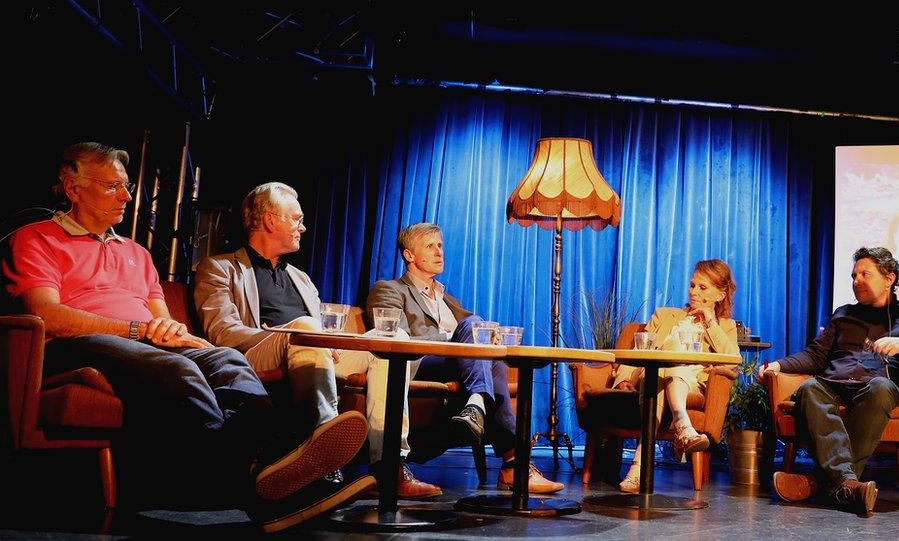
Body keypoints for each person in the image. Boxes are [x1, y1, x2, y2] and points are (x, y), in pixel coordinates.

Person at [1, 143, 374, 533]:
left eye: (127, 186)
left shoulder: (137, 252)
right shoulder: (37, 238)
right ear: (73, 189)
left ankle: (270, 467)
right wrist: (139, 330)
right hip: (80, 341)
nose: (128, 196)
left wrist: (180, 334)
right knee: (178, 369)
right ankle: (258, 484)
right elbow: (46, 313)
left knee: (228, 360)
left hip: (145, 341)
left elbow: (162, 319)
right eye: (113, 186)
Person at [194, 182, 441, 499]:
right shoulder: (220, 267)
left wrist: (327, 341)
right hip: (254, 354)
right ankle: (326, 451)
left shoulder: (301, 277)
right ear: (271, 220)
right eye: (296, 219)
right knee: (309, 326)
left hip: (313, 348)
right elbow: (223, 332)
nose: (303, 226)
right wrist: (300, 332)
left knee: (391, 338)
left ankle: (390, 463)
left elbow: (321, 331)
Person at [366, 222, 564, 494]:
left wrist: (486, 337)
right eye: (429, 246)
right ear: (409, 255)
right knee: (474, 329)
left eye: (440, 245)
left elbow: (474, 332)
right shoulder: (388, 289)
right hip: (418, 363)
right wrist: (457, 341)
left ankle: (488, 424)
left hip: (457, 366)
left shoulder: (448, 298)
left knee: (487, 347)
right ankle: (511, 463)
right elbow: (394, 337)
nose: (439, 252)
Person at [763, 247, 899, 514]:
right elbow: (815, 356)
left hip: (877, 386)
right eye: (853, 275)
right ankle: (846, 484)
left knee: (881, 387)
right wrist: (779, 364)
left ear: (889, 278)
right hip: (834, 384)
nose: (856, 280)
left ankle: (820, 484)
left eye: (865, 274)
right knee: (809, 388)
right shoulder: (843, 313)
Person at [612, 259, 739, 493]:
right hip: (649, 372)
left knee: (668, 372)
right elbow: (639, 349)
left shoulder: (725, 326)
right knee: (664, 364)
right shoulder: (664, 315)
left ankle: (640, 467)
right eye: (692, 285)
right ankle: (683, 425)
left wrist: (709, 321)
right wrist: (624, 379)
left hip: (687, 382)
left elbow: (732, 361)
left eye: (702, 288)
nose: (693, 291)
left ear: (721, 295)